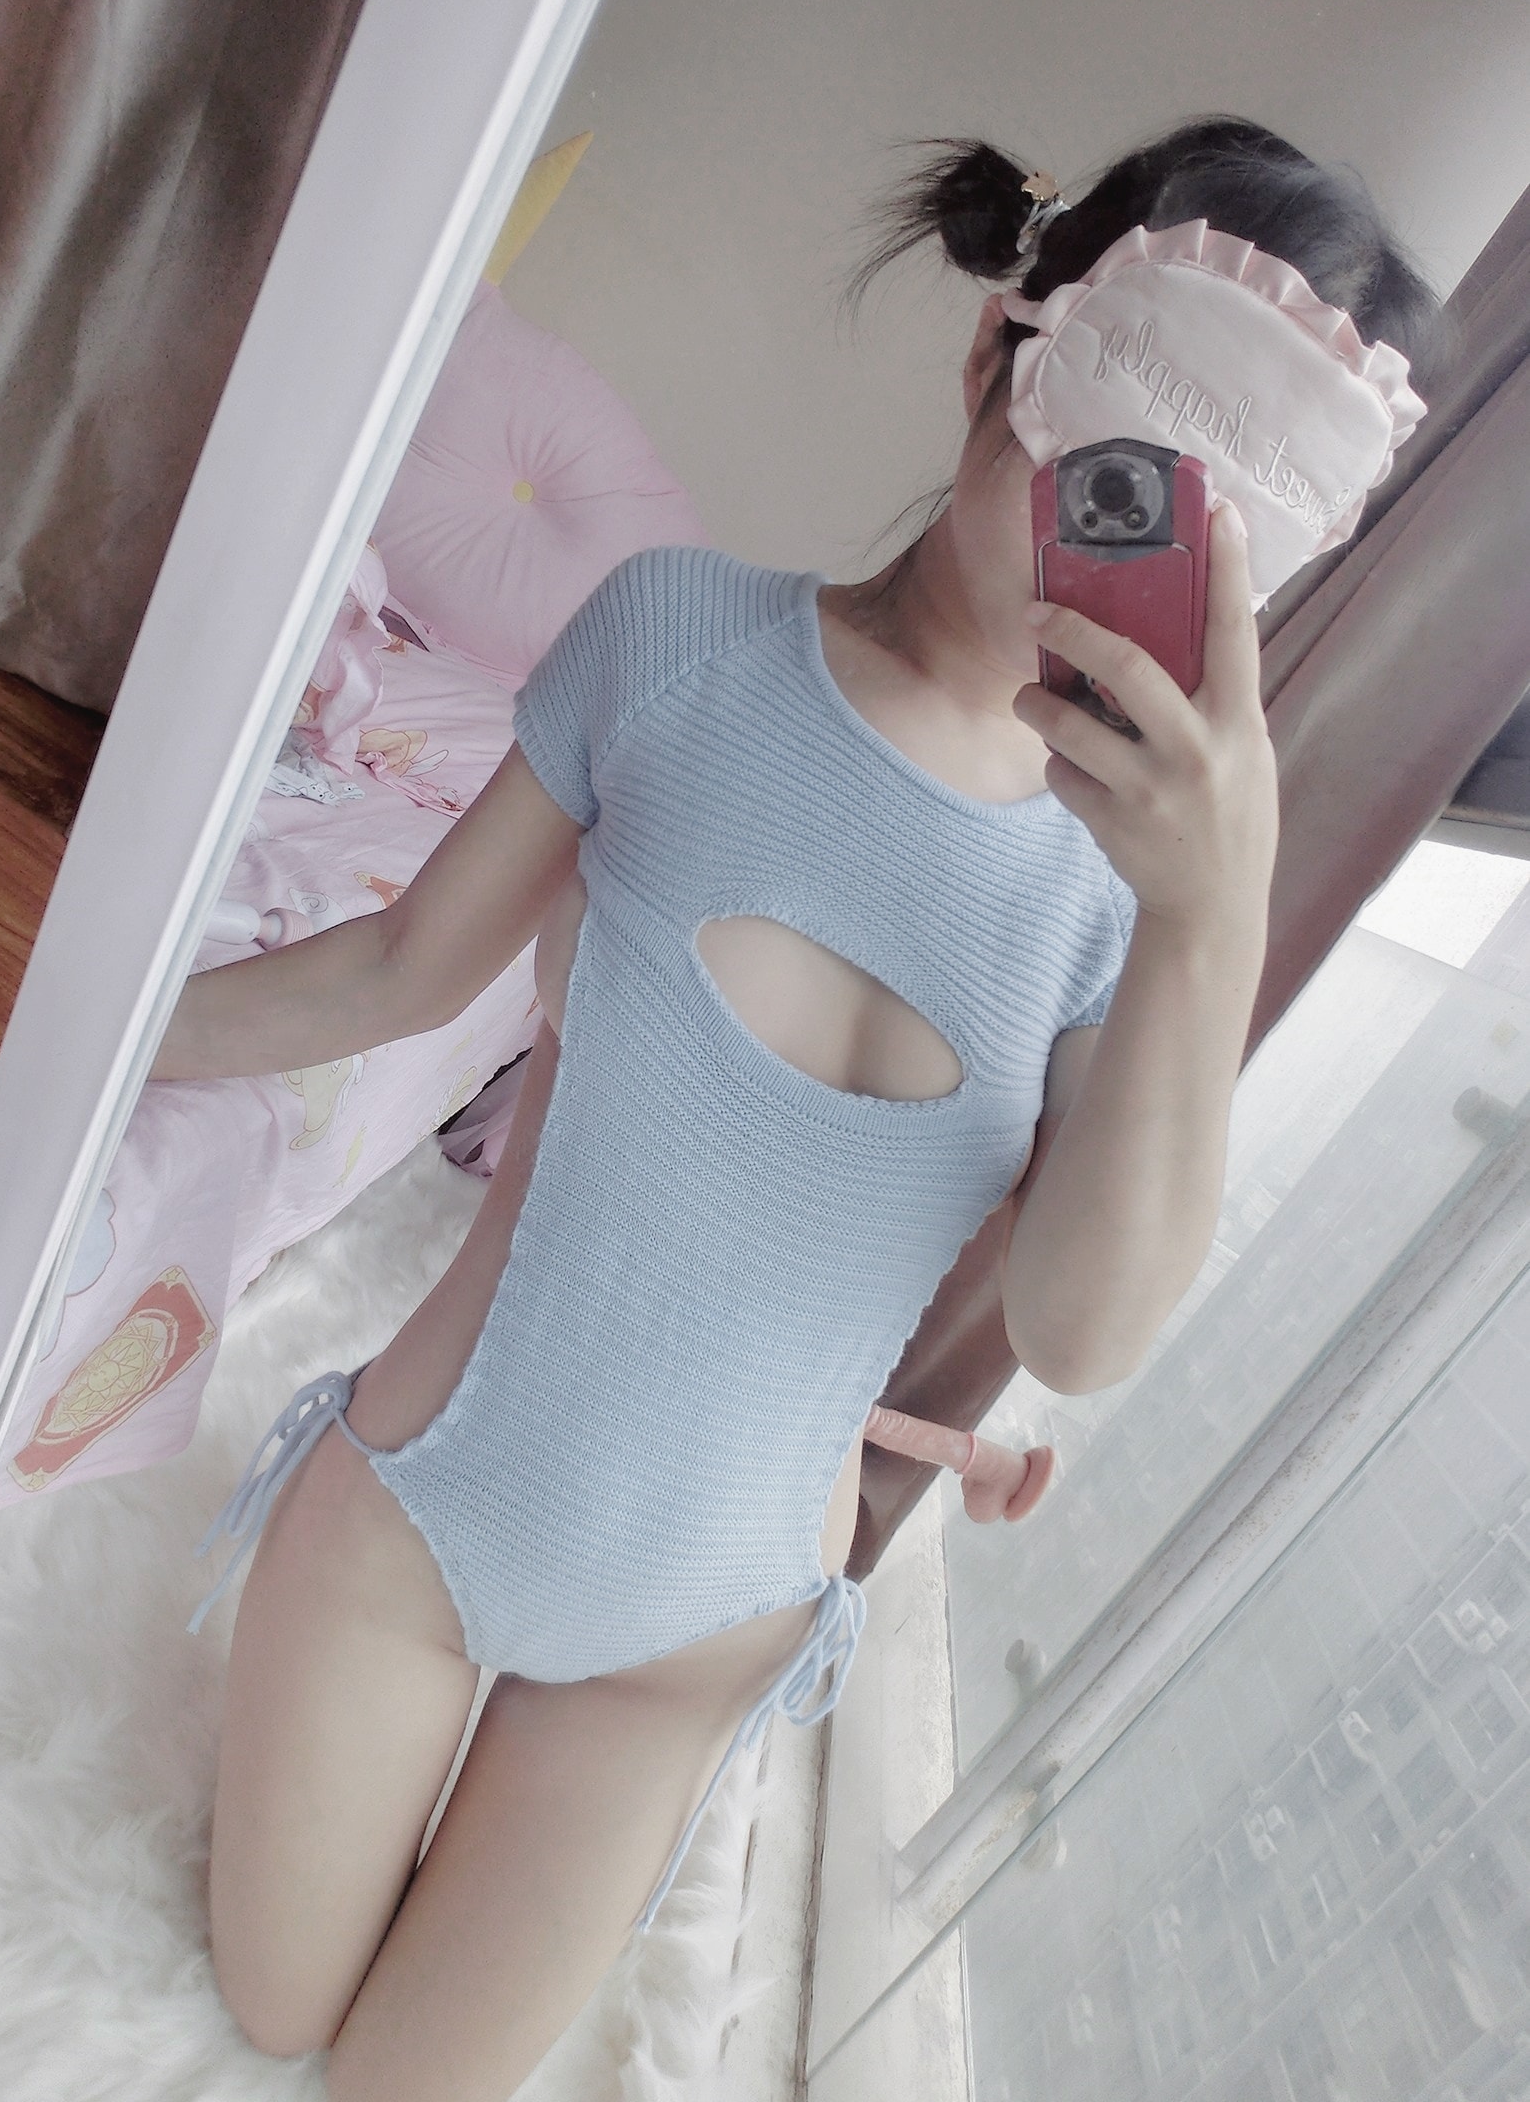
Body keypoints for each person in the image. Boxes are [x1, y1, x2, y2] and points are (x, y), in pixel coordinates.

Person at [153, 115, 1443, 2101]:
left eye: (1208, 544)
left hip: (693, 1642)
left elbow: (1084, 1329)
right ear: (999, 353)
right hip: (425, 1512)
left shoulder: (1126, 905)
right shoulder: (676, 640)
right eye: (1114, 464)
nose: (1116, 549)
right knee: (270, 2014)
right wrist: (82, 1036)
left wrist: (1213, 918)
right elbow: (396, 970)